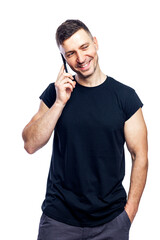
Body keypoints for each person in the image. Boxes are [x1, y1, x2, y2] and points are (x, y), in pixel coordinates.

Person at [22, 19, 148, 240]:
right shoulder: (55, 93)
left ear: (95, 43)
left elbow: (140, 156)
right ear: (64, 58)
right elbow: (30, 144)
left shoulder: (125, 97)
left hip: (111, 221)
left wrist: (129, 214)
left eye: (84, 47)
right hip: (58, 220)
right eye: (70, 53)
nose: (80, 59)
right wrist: (60, 102)